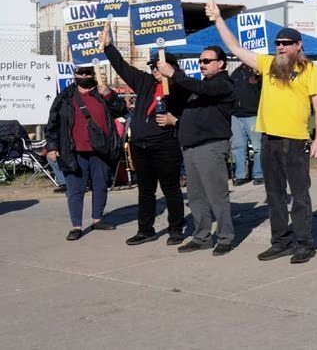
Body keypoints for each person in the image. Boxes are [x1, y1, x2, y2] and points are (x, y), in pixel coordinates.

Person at [208, 4, 317, 264]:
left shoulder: (310, 70)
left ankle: (304, 243)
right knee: (274, 195)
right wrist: (218, 19)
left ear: (298, 45)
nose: (281, 47)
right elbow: (236, 49)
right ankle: (281, 241)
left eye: (286, 43)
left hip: (295, 141)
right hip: (269, 139)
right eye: (278, 43)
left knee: (299, 194)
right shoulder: (267, 64)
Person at [101, 24, 189, 246]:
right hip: (141, 146)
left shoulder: (180, 87)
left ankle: (176, 229)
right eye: (152, 66)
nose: (155, 70)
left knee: (171, 189)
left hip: (165, 146)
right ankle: (145, 229)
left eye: (159, 65)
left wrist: (173, 119)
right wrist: (109, 47)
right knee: (146, 191)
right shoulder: (145, 82)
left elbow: (189, 115)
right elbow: (122, 67)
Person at [156, 46, 237, 255]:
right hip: (191, 147)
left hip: (210, 147)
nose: (202, 64)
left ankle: (226, 237)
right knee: (195, 196)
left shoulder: (223, 83)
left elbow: (203, 90)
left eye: (207, 61)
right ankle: (202, 236)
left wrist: (173, 72)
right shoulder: (201, 86)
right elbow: (189, 95)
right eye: (201, 61)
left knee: (217, 195)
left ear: (221, 64)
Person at [45, 64, 128, 240]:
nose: (83, 75)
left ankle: (98, 219)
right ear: (74, 74)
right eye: (80, 72)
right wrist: (52, 147)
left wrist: (109, 94)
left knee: (100, 185)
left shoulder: (102, 92)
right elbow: (53, 122)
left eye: (87, 72)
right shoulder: (65, 96)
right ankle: (76, 226)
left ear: (92, 73)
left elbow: (122, 110)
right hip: (74, 150)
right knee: (75, 189)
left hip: (101, 149)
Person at [229, 60, 263, 185]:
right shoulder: (236, 73)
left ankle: (259, 174)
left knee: (258, 146)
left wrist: (259, 76)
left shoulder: (258, 73)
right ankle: (240, 175)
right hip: (236, 115)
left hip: (253, 114)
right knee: (238, 146)